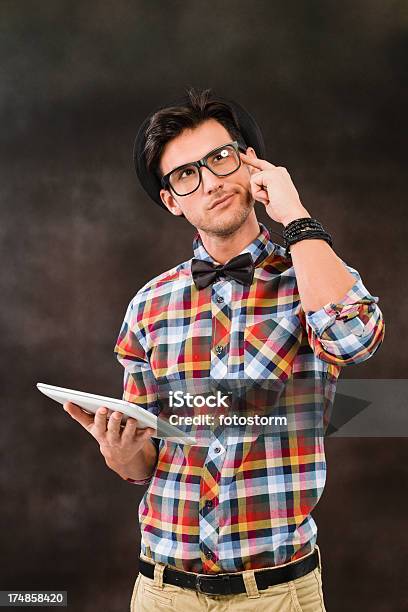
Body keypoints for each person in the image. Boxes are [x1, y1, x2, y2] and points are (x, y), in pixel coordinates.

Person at [64, 88, 385, 611]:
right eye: (186, 174)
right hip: (162, 591)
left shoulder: (312, 275)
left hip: (275, 594)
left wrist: (295, 214)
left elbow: (355, 341)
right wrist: (121, 453)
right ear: (172, 200)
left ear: (250, 163)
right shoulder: (149, 304)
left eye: (220, 158)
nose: (211, 181)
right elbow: (148, 458)